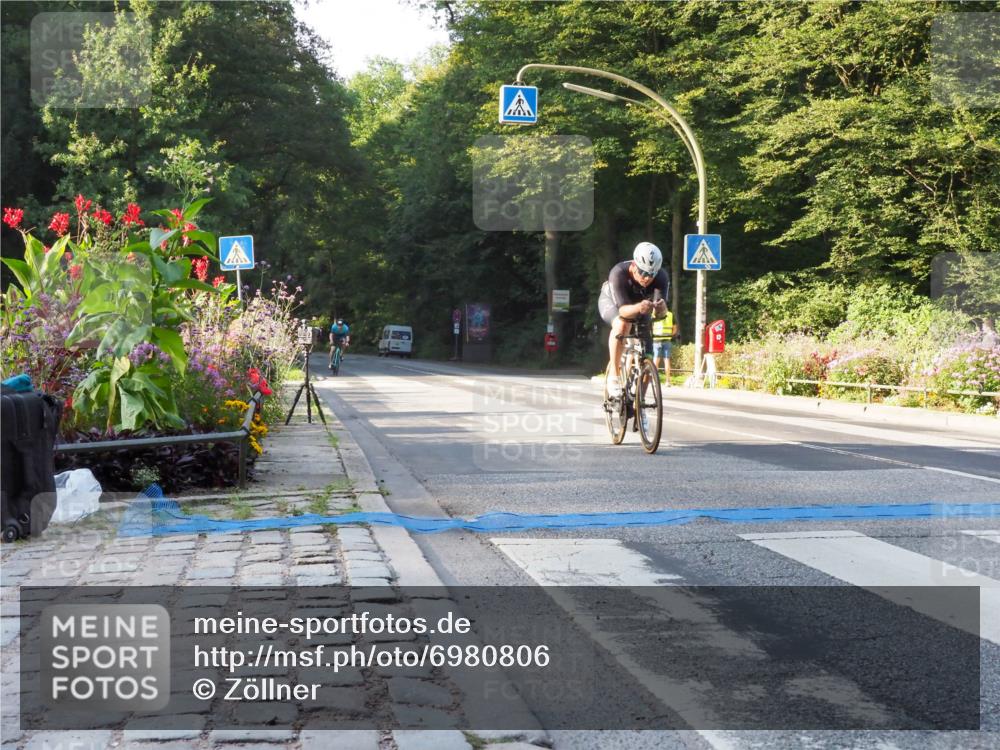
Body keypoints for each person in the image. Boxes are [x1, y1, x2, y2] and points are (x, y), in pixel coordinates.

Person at [597, 242, 669, 398]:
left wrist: (662, 309)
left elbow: (661, 315)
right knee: (622, 323)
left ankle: (640, 405)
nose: (647, 278)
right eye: (643, 272)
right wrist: (638, 308)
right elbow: (623, 310)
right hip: (614, 303)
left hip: (641, 306)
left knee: (649, 357)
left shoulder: (661, 277)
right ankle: (614, 376)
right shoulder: (619, 273)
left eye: (652, 274)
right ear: (634, 265)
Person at [651, 309, 678, 385]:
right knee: (667, 360)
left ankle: (654, 380)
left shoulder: (654, 314)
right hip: (667, 340)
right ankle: (668, 381)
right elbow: (675, 328)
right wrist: (671, 336)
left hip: (657, 340)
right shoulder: (670, 315)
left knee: (656, 360)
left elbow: (651, 327)